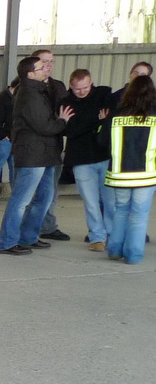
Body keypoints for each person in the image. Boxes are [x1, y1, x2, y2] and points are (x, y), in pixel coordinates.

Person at [0, 55, 73, 256]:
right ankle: (7, 242)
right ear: (30, 74)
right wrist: (62, 121)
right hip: (32, 154)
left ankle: (28, 236)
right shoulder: (29, 95)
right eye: (41, 67)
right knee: (21, 200)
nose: (46, 68)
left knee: (45, 197)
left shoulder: (40, 91)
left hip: (46, 153)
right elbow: (43, 126)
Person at [102, 74, 156, 265]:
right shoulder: (154, 116)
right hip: (146, 175)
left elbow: (102, 141)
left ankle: (114, 250)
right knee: (139, 216)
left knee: (121, 211)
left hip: (119, 174)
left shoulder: (116, 114)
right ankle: (133, 255)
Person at [60, 69, 113, 252]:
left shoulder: (104, 94)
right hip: (80, 159)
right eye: (78, 89)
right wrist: (97, 121)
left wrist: (81, 123)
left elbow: (110, 119)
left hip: (104, 156)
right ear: (71, 86)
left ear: (91, 83)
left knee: (110, 200)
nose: (82, 92)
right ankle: (97, 237)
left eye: (85, 87)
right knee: (90, 202)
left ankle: (112, 235)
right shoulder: (65, 103)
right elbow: (69, 131)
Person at [31, 49, 73, 242]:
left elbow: (66, 111)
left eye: (51, 61)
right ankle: (29, 230)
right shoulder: (27, 87)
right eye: (44, 61)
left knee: (50, 192)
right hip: (33, 149)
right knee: (32, 193)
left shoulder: (57, 86)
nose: (48, 65)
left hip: (54, 146)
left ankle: (47, 226)